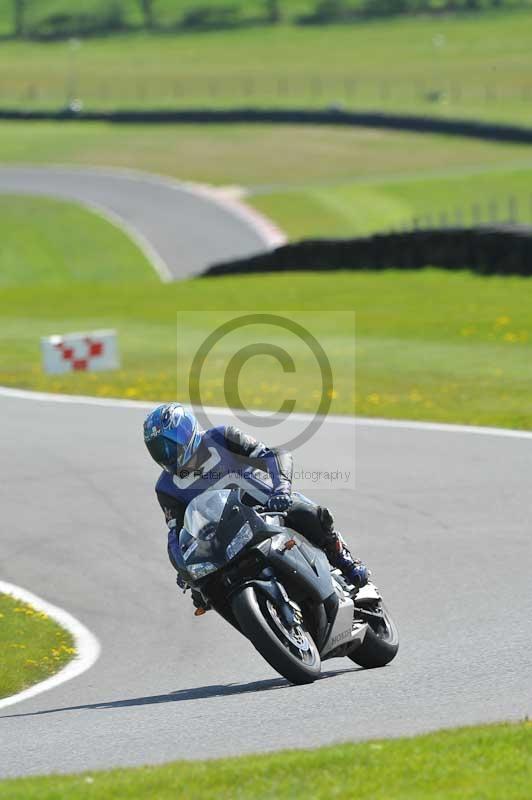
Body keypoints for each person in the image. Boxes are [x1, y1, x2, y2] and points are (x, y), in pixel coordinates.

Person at [144, 403, 368, 614]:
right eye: (158, 449)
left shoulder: (222, 437)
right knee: (206, 590)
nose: (166, 453)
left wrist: (281, 489)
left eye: (169, 444)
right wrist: (185, 569)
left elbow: (273, 454)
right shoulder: (166, 488)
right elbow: (177, 533)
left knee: (308, 514)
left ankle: (344, 561)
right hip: (225, 539)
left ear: (186, 431)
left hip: (268, 507)